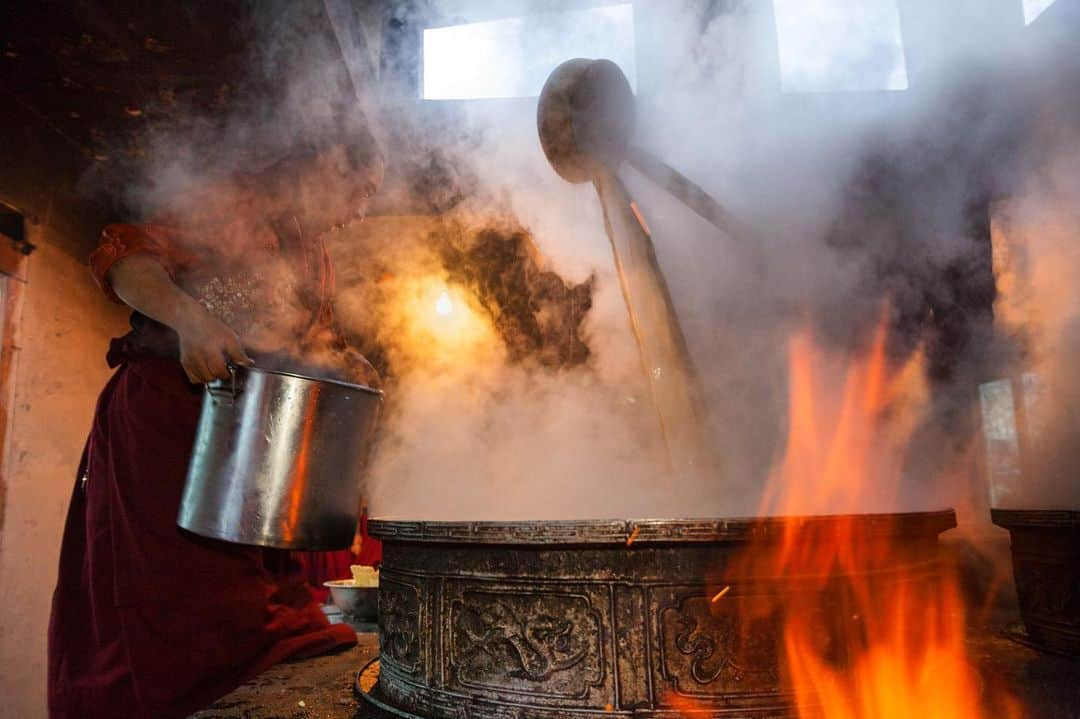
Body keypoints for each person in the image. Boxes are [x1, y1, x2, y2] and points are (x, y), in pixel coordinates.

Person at [47, 126, 384, 719]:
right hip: (165, 421)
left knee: (259, 610)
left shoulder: (313, 249)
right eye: (358, 191)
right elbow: (123, 259)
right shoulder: (231, 201)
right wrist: (189, 320)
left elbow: (312, 340)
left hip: (241, 432)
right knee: (176, 613)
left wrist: (347, 359)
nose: (358, 211)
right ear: (324, 166)